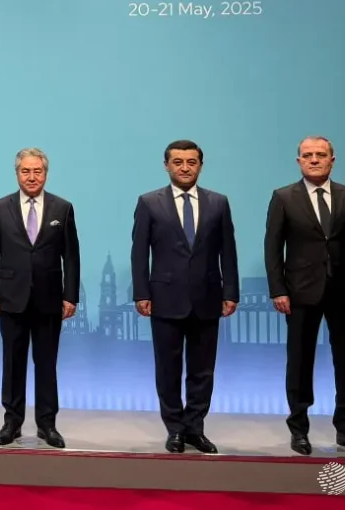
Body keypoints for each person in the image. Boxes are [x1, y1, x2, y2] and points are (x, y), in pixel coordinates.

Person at [265, 136, 345, 457]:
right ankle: (299, 429)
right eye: (307, 155)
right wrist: (278, 289)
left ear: (332, 159)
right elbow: (273, 248)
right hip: (300, 293)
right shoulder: (283, 198)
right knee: (300, 362)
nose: (314, 159)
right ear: (298, 160)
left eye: (320, 154)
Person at [131, 140, 239, 454]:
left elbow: (227, 251)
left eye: (191, 162)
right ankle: (174, 429)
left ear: (200, 166)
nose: (185, 167)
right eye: (178, 162)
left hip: (208, 296)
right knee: (168, 367)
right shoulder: (150, 202)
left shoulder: (218, 203)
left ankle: (195, 428)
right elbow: (139, 252)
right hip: (164, 298)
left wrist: (230, 290)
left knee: (203, 369)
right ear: (166, 165)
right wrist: (141, 292)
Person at [0, 148, 79, 448]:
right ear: (17, 173)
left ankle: (47, 425)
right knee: (13, 362)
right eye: (26, 171)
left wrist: (70, 296)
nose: (32, 176)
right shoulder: (0, 208)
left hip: (50, 300)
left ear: (46, 174)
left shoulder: (62, 209)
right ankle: (11, 422)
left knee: (46, 363)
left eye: (37, 171)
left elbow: (71, 257)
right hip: (11, 298)